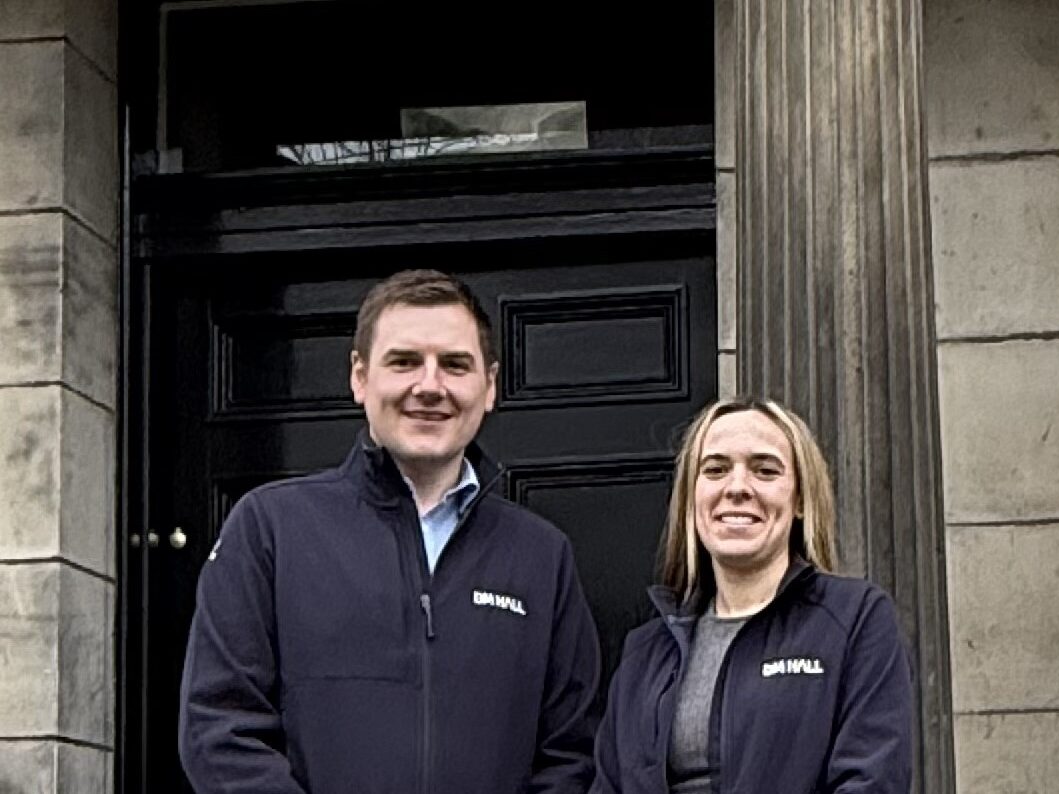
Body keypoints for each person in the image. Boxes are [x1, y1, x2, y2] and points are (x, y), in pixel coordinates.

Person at [179, 269, 601, 793]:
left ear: (489, 386)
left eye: (454, 364)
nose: (430, 386)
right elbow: (220, 730)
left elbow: (572, 752)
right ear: (359, 377)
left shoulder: (541, 556)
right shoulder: (270, 529)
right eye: (404, 362)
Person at [590, 397, 913, 793]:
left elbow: (871, 780)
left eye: (764, 470)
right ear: (691, 499)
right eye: (716, 469)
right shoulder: (645, 652)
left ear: (798, 500)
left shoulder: (855, 619)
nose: (737, 488)